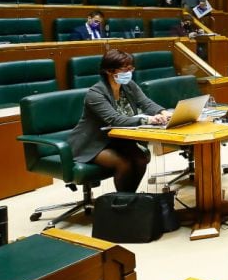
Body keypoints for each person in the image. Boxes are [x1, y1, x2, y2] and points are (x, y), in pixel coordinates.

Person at [67, 49, 172, 193]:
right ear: (109, 71)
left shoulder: (129, 85)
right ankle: (123, 204)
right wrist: (147, 119)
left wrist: (164, 112)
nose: (130, 72)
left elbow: (146, 103)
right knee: (124, 163)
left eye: (131, 68)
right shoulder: (95, 93)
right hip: (93, 143)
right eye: (125, 69)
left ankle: (129, 199)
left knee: (141, 159)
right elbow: (115, 120)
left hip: (118, 140)